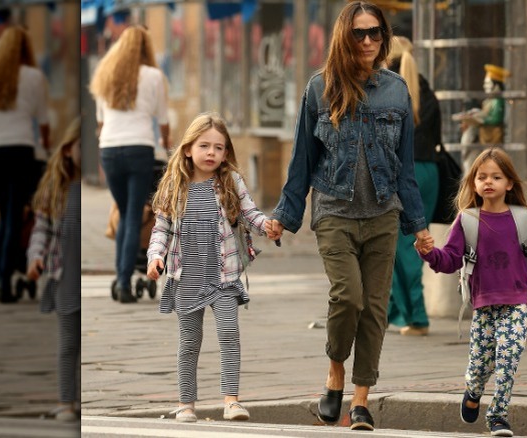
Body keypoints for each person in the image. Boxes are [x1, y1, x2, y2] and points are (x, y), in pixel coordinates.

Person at [265, 1, 432, 431]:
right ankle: (335, 369)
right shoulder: (319, 88)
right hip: (335, 210)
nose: (369, 41)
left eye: (376, 32)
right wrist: (286, 213)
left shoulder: (396, 89)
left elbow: (405, 168)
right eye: (359, 33)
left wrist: (419, 226)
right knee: (348, 296)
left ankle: (360, 401)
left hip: (382, 214)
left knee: (375, 309)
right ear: (344, 36)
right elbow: (302, 160)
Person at [416, 147, 527, 437]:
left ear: (509, 183)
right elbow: (450, 259)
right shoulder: (467, 220)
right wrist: (429, 253)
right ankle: (473, 392)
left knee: (508, 359)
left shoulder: (522, 219)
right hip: (483, 305)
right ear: (473, 183)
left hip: (515, 304)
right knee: (480, 365)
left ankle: (499, 415)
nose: (488, 182)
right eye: (481, 177)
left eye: (496, 177)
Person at [146, 112, 267, 423]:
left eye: (219, 147)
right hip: (187, 278)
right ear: (188, 148)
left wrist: (270, 226)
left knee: (229, 335)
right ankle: (186, 404)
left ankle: (231, 401)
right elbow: (161, 228)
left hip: (223, 277)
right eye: (204, 146)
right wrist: (154, 257)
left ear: (226, 152)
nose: (211, 153)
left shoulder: (231, 181)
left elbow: (250, 213)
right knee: (189, 341)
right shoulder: (175, 184)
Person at [89, 24, 170, 304]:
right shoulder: (154, 76)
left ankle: (121, 277)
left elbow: (100, 122)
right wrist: (165, 144)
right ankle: (123, 282)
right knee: (133, 214)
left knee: (125, 213)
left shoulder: (105, 74)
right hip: (139, 149)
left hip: (108, 150)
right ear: (146, 48)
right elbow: (163, 123)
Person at [0, 25, 49, 303]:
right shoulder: (33, 76)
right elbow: (43, 122)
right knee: (14, 214)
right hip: (19, 150)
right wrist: (46, 147)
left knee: (6, 213)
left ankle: (3, 276)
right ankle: (5, 277)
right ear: (25, 49)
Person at [383, 35, 442, 336]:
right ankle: (400, 311)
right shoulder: (424, 89)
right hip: (430, 171)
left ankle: (415, 316)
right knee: (415, 240)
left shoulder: (389, 88)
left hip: (405, 171)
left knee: (400, 244)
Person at [26, 117, 81, 422]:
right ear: (68, 148)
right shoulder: (57, 188)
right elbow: (41, 230)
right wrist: (35, 257)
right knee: (68, 343)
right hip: (63, 278)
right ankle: (66, 401)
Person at [451, 64, 509, 171]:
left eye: (488, 83)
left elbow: (496, 119)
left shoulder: (497, 101)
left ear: (496, 85)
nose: (485, 86)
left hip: (493, 136)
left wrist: (481, 120)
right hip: (485, 136)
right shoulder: (488, 101)